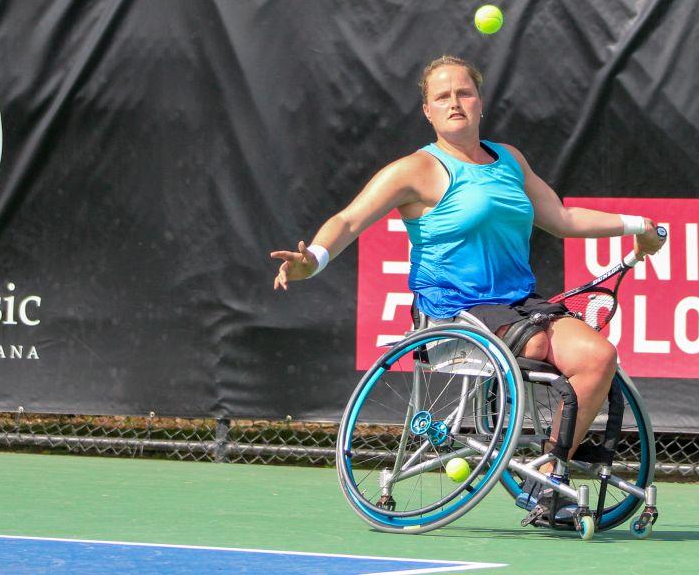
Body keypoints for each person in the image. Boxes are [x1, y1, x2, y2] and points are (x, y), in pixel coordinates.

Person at [272, 55, 665, 508]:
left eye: (464, 93)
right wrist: (314, 260)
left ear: (480, 102)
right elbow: (349, 219)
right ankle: (549, 478)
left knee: (600, 356)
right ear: (428, 110)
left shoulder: (510, 160)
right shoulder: (414, 171)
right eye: (442, 96)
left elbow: (561, 217)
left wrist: (638, 226)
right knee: (542, 348)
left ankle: (547, 472)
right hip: (451, 310)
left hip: (520, 304)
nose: (454, 102)